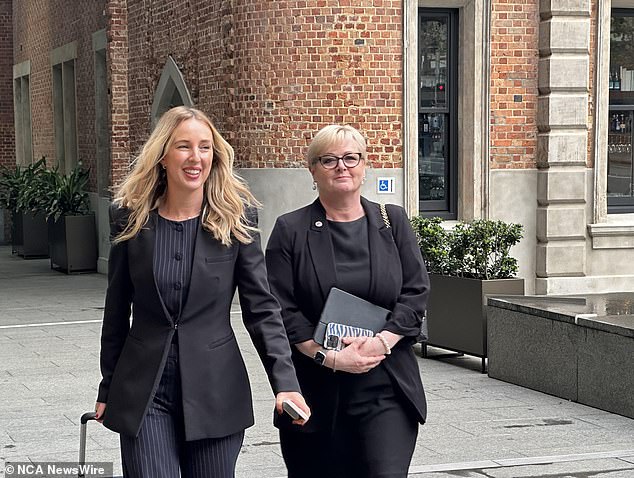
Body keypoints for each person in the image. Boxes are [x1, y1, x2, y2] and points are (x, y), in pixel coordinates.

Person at [95, 106, 310, 478]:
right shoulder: (130, 220)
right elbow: (116, 311)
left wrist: (286, 383)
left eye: (205, 147)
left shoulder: (235, 220)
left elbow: (261, 309)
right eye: (183, 147)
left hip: (216, 392)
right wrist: (107, 385)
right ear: (162, 155)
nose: (196, 158)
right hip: (145, 391)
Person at [265, 124, 430, 478]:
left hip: (386, 385)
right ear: (312, 170)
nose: (342, 166)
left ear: (365, 165)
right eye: (329, 160)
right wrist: (331, 357)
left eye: (351, 157)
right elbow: (280, 309)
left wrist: (381, 343)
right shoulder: (290, 230)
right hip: (315, 389)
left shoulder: (393, 221)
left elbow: (415, 292)